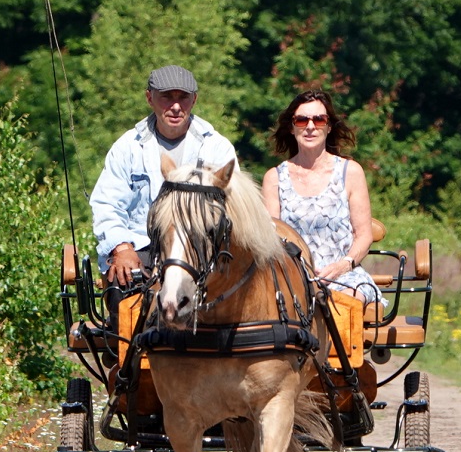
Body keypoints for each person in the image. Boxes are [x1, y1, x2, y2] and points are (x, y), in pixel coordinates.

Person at [88, 65, 238, 287]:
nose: (176, 106)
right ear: (150, 98)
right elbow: (106, 205)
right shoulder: (127, 147)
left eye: (183, 97)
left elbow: (234, 207)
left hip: (201, 251)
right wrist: (122, 248)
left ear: (194, 100)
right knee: (122, 288)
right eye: (167, 97)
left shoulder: (217, 147)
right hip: (141, 249)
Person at [261, 90, 383, 308]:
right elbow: (272, 239)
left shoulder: (350, 172)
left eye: (318, 120)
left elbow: (364, 235)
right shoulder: (274, 178)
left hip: (344, 277)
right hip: (292, 278)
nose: (310, 126)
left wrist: (342, 266)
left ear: (329, 127)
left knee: (344, 304)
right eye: (302, 120)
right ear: (292, 127)